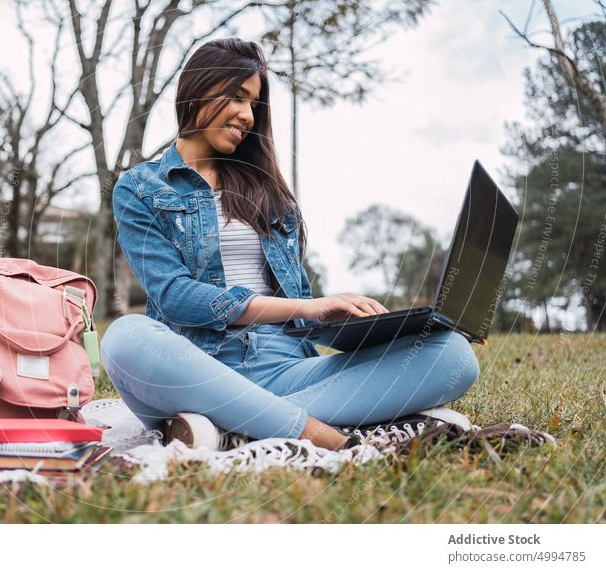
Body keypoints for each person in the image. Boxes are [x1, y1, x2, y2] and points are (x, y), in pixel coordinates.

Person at [100, 38, 479, 452]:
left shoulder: (268, 192)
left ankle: (229, 428)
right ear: (197, 89)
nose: (246, 116)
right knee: (124, 337)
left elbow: (298, 305)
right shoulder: (140, 187)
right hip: (195, 369)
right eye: (237, 97)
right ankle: (326, 436)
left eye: (254, 105)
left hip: (285, 368)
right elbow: (175, 296)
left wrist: (371, 329)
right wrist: (307, 306)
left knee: (453, 355)